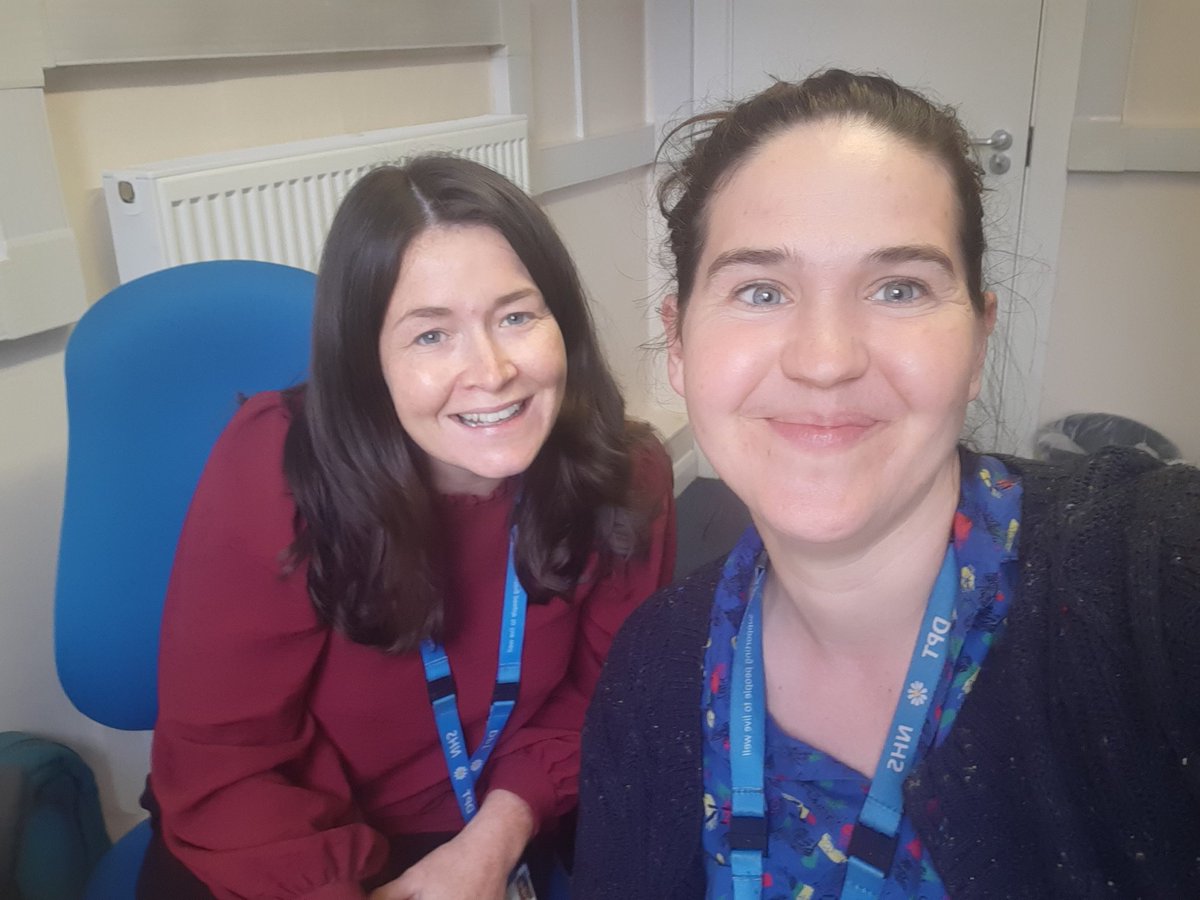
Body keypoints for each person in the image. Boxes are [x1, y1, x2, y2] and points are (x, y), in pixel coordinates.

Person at [573, 70, 1200, 899]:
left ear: (977, 342)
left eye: (899, 288)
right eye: (760, 290)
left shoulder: (1148, 582)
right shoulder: (651, 670)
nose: (826, 359)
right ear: (679, 345)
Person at [137, 157, 676, 900]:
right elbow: (225, 761)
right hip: (281, 841)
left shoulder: (626, 475)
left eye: (516, 317)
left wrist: (494, 839)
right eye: (430, 336)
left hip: (506, 815)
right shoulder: (278, 467)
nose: (491, 371)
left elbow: (604, 698)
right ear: (369, 362)